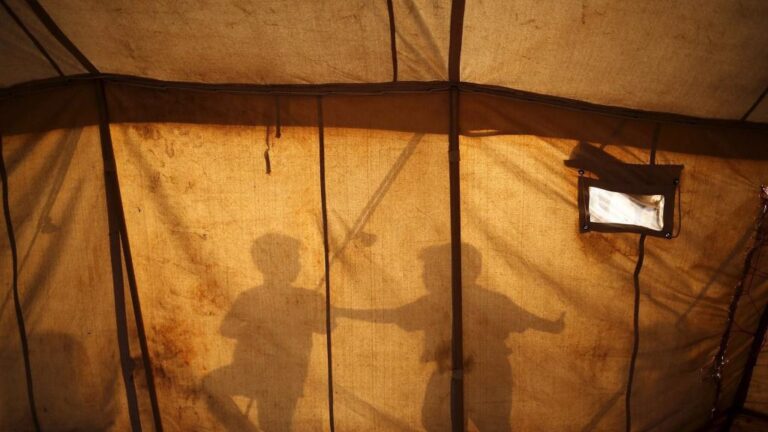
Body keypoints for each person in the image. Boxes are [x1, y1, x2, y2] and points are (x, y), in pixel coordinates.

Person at [336, 243, 565, 430]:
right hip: (460, 372)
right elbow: (396, 315)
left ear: (452, 270)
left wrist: (343, 312)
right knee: (447, 418)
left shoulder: (453, 301)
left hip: (483, 373)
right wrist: (552, 326)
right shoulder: (458, 300)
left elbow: (393, 315)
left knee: (459, 420)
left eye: (430, 269)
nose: (425, 275)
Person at [204, 234, 325, 432]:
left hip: (283, 379)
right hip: (251, 371)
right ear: (275, 264)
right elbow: (226, 327)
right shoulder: (251, 297)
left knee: (274, 426)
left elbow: (325, 327)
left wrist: (313, 311)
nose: (299, 265)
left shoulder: (306, 298)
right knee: (211, 384)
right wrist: (249, 328)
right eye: (294, 259)